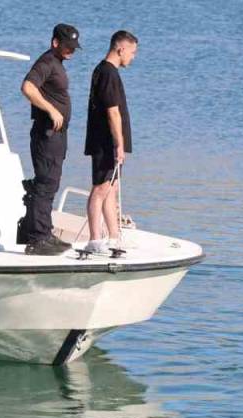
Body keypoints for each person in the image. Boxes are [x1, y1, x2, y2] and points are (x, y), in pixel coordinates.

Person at [20, 23, 81, 256]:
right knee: (45, 183)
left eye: (74, 47)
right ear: (55, 42)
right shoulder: (46, 62)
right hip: (46, 134)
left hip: (56, 136)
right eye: (67, 46)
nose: (71, 50)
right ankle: (37, 240)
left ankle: (43, 232)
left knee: (51, 182)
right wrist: (51, 110)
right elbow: (27, 87)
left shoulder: (57, 63)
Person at [83, 30, 138, 255]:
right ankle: (94, 240)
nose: (133, 57)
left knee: (112, 189)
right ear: (120, 49)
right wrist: (119, 144)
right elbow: (112, 112)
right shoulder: (107, 73)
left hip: (108, 142)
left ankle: (114, 237)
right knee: (101, 188)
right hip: (106, 143)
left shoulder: (106, 71)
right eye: (132, 52)